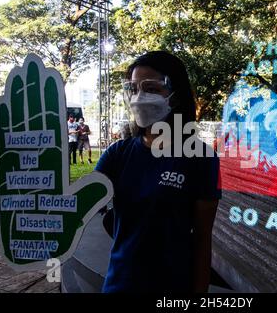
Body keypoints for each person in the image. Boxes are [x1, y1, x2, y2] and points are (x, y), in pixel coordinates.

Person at [95, 51, 221, 293]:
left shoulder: (200, 158)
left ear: (175, 97)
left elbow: (203, 240)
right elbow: (79, 205)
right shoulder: (117, 155)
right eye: (133, 89)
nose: (139, 98)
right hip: (119, 285)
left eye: (151, 89)